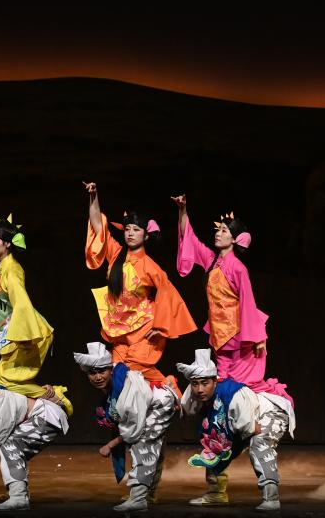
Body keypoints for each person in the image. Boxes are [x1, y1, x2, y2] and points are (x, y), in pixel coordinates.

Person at [0, 201, 70, 413]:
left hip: (24, 336)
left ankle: (54, 397)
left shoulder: (12, 269)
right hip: (10, 336)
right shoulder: (1, 266)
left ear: (7, 244)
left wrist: (24, 335)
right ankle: (43, 401)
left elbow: (22, 302)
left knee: (6, 380)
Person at [173, 196, 289, 399]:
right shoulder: (211, 261)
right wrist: (182, 210)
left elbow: (248, 302)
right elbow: (189, 237)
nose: (218, 234)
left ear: (234, 239)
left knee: (236, 385)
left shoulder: (238, 268)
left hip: (236, 334)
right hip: (218, 333)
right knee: (220, 382)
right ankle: (220, 418)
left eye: (224, 231)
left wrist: (258, 337)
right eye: (218, 230)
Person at [84, 182, 197, 383]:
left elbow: (167, 292)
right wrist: (94, 196)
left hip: (144, 330)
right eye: (127, 229)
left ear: (145, 236)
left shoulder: (149, 266)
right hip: (120, 330)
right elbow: (98, 225)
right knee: (117, 375)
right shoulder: (116, 254)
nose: (130, 233)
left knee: (135, 372)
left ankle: (171, 390)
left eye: (136, 230)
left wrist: (161, 327)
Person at [178, 349, 294, 511]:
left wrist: (241, 433)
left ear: (215, 381)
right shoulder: (195, 392)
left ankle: (271, 498)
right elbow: (188, 409)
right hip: (240, 420)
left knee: (258, 442)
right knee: (213, 446)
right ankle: (215, 494)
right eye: (195, 384)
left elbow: (248, 426)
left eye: (205, 383)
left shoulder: (232, 392)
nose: (200, 389)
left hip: (268, 412)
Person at [74, 341, 180, 512]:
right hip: (148, 405)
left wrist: (111, 445)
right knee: (154, 447)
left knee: (143, 444)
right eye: (92, 373)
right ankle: (148, 494)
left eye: (102, 371)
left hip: (160, 404)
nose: (97, 377)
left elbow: (133, 430)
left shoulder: (126, 387)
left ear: (110, 369)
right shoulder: (115, 383)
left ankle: (139, 498)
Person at [0, 376, 70, 511]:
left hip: (44, 416)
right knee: (12, 451)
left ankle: (19, 497)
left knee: (9, 447)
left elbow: (3, 417)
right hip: (41, 416)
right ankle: (17, 493)